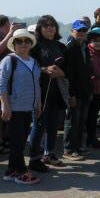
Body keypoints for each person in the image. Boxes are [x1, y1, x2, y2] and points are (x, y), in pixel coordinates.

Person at [0, 28, 41, 185]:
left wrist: (38, 104)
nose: (23, 44)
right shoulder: (9, 60)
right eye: (19, 41)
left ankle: (11, 171)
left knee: (20, 141)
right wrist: (5, 105)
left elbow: (37, 84)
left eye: (27, 41)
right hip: (14, 107)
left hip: (28, 107)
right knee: (17, 142)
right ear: (14, 44)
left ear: (31, 44)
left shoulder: (33, 61)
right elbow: (1, 83)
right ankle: (22, 172)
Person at [28, 15, 69, 170]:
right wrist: (45, 69)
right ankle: (34, 158)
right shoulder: (34, 46)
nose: (50, 28)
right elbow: (29, 66)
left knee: (53, 125)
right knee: (38, 125)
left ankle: (49, 153)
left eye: (52, 25)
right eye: (46, 26)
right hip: (40, 92)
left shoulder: (60, 46)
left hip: (57, 91)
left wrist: (62, 73)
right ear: (40, 28)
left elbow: (69, 68)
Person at [0, 15, 24, 154]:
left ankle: (0, 141)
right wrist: (10, 33)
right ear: (6, 24)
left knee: (2, 110)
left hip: (3, 79)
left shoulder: (2, 34)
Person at [63, 20, 93, 160]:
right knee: (72, 121)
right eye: (78, 31)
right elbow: (68, 74)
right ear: (72, 31)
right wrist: (71, 94)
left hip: (85, 90)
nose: (81, 33)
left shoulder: (85, 46)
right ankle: (68, 150)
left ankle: (78, 147)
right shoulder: (69, 48)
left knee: (81, 121)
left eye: (83, 31)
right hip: (74, 91)